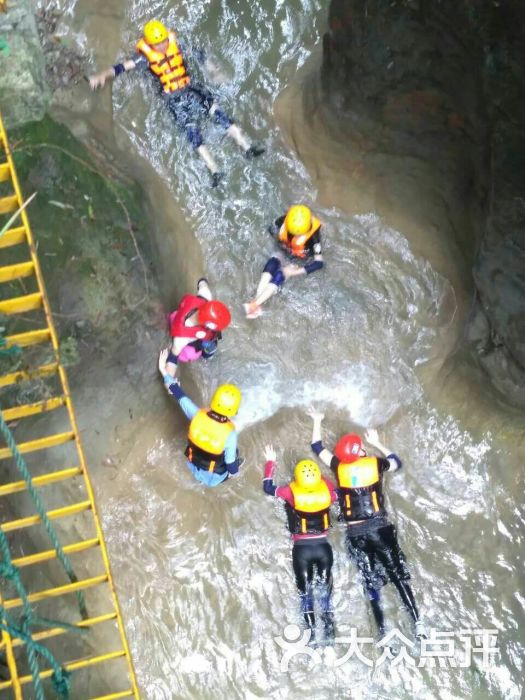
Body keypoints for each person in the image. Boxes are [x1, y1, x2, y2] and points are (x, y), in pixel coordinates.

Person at [88, 19, 264, 186]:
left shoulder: (175, 43)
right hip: (174, 100)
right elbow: (120, 68)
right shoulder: (144, 58)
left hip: (190, 89)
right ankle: (215, 170)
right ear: (149, 45)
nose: (163, 45)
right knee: (193, 133)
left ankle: (247, 147)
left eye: (164, 41)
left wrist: (212, 69)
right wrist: (101, 76)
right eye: (158, 44)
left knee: (218, 114)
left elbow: (198, 53)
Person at [309, 413, 425, 639]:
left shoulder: (339, 467)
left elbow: (316, 446)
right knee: (397, 577)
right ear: (360, 452)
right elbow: (396, 463)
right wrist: (377, 443)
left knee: (371, 585)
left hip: (355, 535)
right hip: (380, 530)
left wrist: (317, 420)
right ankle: (417, 624)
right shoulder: (374, 463)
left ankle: (382, 632)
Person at [263, 446, 338, 644]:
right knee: (325, 592)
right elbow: (338, 492)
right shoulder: (328, 491)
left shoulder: (290, 493)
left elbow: (268, 488)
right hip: (324, 549)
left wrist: (270, 462)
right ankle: (329, 636)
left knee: (305, 593)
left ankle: (311, 636)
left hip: (301, 551)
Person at [158, 349, 244, 486]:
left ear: (214, 401)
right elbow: (232, 468)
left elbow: (178, 393)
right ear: (233, 411)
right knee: (235, 457)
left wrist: (163, 370)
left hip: (192, 465)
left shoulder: (196, 414)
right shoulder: (230, 435)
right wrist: (235, 471)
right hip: (213, 479)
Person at [244, 205, 324, 318]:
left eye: (297, 234)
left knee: (281, 274)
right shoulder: (284, 220)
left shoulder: (314, 238)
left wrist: (293, 272)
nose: (294, 235)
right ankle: (256, 302)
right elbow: (271, 229)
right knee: (272, 263)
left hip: (299, 260)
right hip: (284, 251)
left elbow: (319, 263)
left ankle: (255, 304)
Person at [165, 278, 231, 378]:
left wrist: (203, 283)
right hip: (183, 340)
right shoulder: (181, 340)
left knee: (209, 342)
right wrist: (169, 381)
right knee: (191, 353)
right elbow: (172, 358)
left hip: (176, 318)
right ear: (208, 326)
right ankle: (206, 357)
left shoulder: (205, 296)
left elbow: (202, 281)